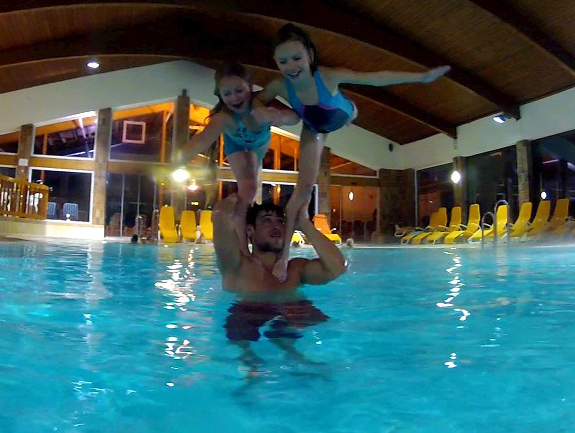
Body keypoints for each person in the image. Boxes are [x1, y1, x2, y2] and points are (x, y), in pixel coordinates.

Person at [257, 23, 451, 281]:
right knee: (301, 191)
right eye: (283, 61)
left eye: (296, 58)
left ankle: (352, 113)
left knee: (348, 111)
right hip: (314, 127)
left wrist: (421, 76)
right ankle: (283, 258)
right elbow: (253, 100)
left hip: (341, 113)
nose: (291, 66)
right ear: (275, 62)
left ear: (310, 56)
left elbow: (373, 78)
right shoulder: (279, 86)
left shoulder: (328, 76)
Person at [175, 62, 299, 254]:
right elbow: (201, 141)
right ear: (220, 94)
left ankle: (246, 236)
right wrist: (177, 161)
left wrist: (278, 116)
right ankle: (243, 250)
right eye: (227, 93)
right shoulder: (223, 118)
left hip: (259, 145)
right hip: (236, 145)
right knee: (248, 190)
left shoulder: (261, 101)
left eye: (239, 90)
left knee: (250, 190)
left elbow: (295, 117)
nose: (234, 97)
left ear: (250, 87)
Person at [212, 194, 346, 370]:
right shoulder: (236, 265)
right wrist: (242, 194)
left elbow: (337, 267)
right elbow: (220, 216)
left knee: (299, 325)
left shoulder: (295, 269)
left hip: (291, 313)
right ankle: (250, 365)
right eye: (267, 220)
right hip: (247, 314)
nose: (276, 226)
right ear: (250, 230)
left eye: (281, 221)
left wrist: (304, 224)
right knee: (240, 329)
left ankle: (296, 358)